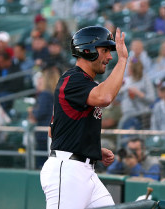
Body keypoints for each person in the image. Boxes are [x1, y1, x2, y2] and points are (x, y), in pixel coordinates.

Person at [40, 26, 128, 209]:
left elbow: (52, 131)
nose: (110, 57)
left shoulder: (83, 82)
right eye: (105, 50)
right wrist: (123, 61)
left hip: (84, 169)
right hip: (68, 171)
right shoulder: (73, 79)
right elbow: (105, 97)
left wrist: (90, 148)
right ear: (87, 50)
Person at [27, 68, 60, 169]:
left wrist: (31, 111)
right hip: (54, 131)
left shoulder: (45, 94)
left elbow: (40, 113)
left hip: (44, 133)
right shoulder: (57, 94)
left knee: (42, 164)